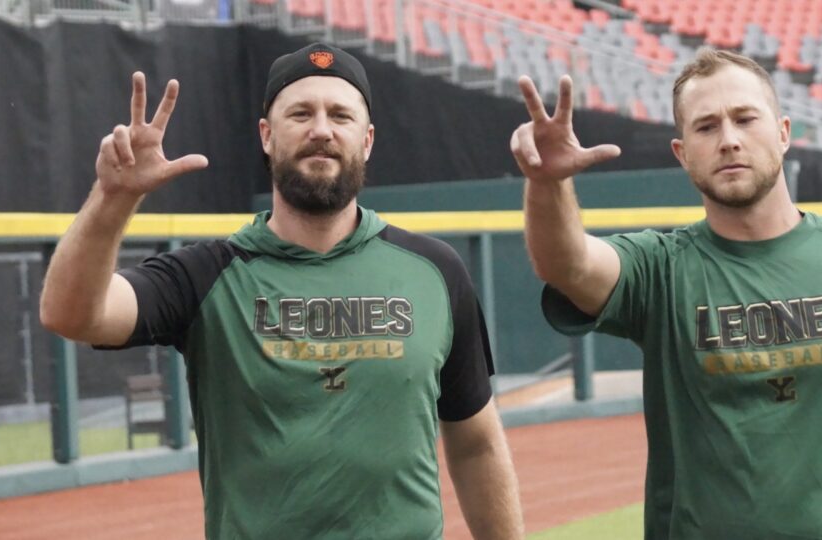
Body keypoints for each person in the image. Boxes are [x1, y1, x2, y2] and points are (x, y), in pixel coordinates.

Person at [40, 42, 523, 539]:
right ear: (267, 136)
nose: (321, 130)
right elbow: (71, 315)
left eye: (340, 114)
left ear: (368, 139)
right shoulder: (206, 275)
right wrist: (113, 198)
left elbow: (477, 443)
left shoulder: (435, 271)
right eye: (300, 113)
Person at [511, 47, 822, 539]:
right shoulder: (661, 269)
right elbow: (566, 264)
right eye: (706, 127)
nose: (729, 140)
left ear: (783, 134)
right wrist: (547, 184)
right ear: (682, 153)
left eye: (744, 118)